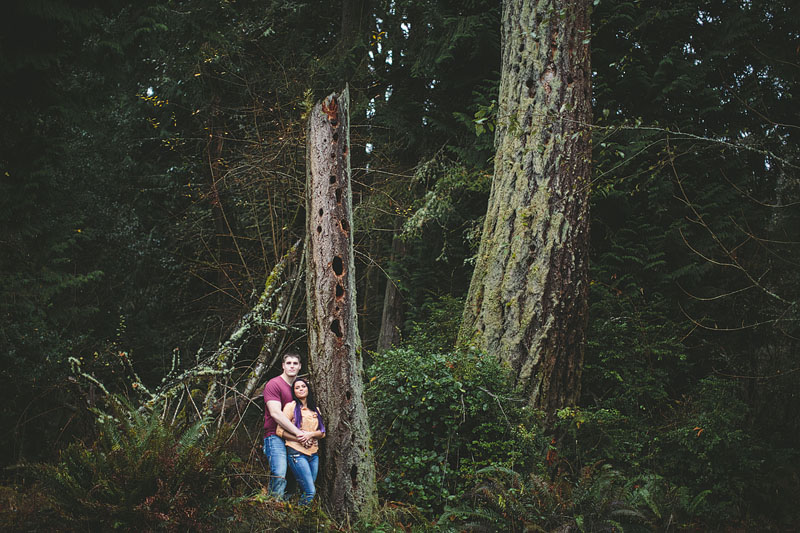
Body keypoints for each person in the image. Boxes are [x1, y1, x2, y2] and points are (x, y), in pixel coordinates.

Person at [262, 353, 313, 498]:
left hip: (294, 437)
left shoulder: (298, 387)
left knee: (293, 477)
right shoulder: (274, 384)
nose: (292, 366)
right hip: (274, 435)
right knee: (279, 472)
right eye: (289, 363)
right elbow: (275, 413)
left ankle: (286, 511)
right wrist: (299, 433)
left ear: (300, 366)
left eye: (295, 363)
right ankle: (273, 506)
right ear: (283, 366)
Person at [277, 377, 326, 505]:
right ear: (294, 392)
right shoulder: (291, 406)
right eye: (297, 388)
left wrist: (310, 434)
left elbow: (322, 433)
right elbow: (279, 431)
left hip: (313, 454)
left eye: (303, 386)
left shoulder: (315, 409)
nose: (300, 389)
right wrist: (300, 440)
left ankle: (296, 511)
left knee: (306, 490)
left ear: (308, 389)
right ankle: (299, 518)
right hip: (296, 453)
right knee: (310, 492)